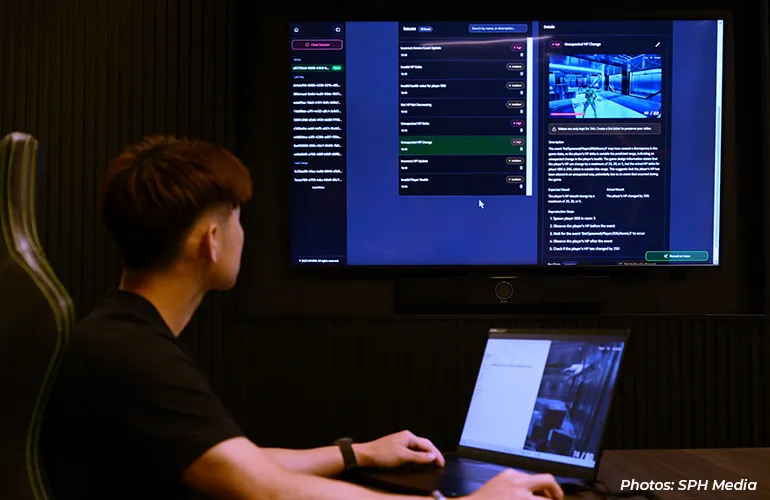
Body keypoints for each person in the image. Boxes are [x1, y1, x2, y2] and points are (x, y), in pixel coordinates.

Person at [41, 135, 564, 500]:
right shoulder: (133, 356)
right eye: (238, 220)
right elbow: (264, 488)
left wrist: (358, 454)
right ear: (213, 240)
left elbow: (236, 460)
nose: (244, 235)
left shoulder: (124, 334)